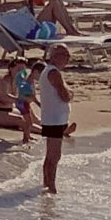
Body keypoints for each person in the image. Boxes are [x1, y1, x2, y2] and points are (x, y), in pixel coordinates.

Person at [37, 45, 74, 194]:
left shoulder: (52, 71)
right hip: (54, 119)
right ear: (54, 56)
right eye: (64, 55)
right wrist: (71, 93)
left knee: (51, 155)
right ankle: (51, 186)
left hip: (54, 118)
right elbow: (65, 95)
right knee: (54, 155)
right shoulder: (53, 72)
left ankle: (47, 183)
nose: (67, 58)